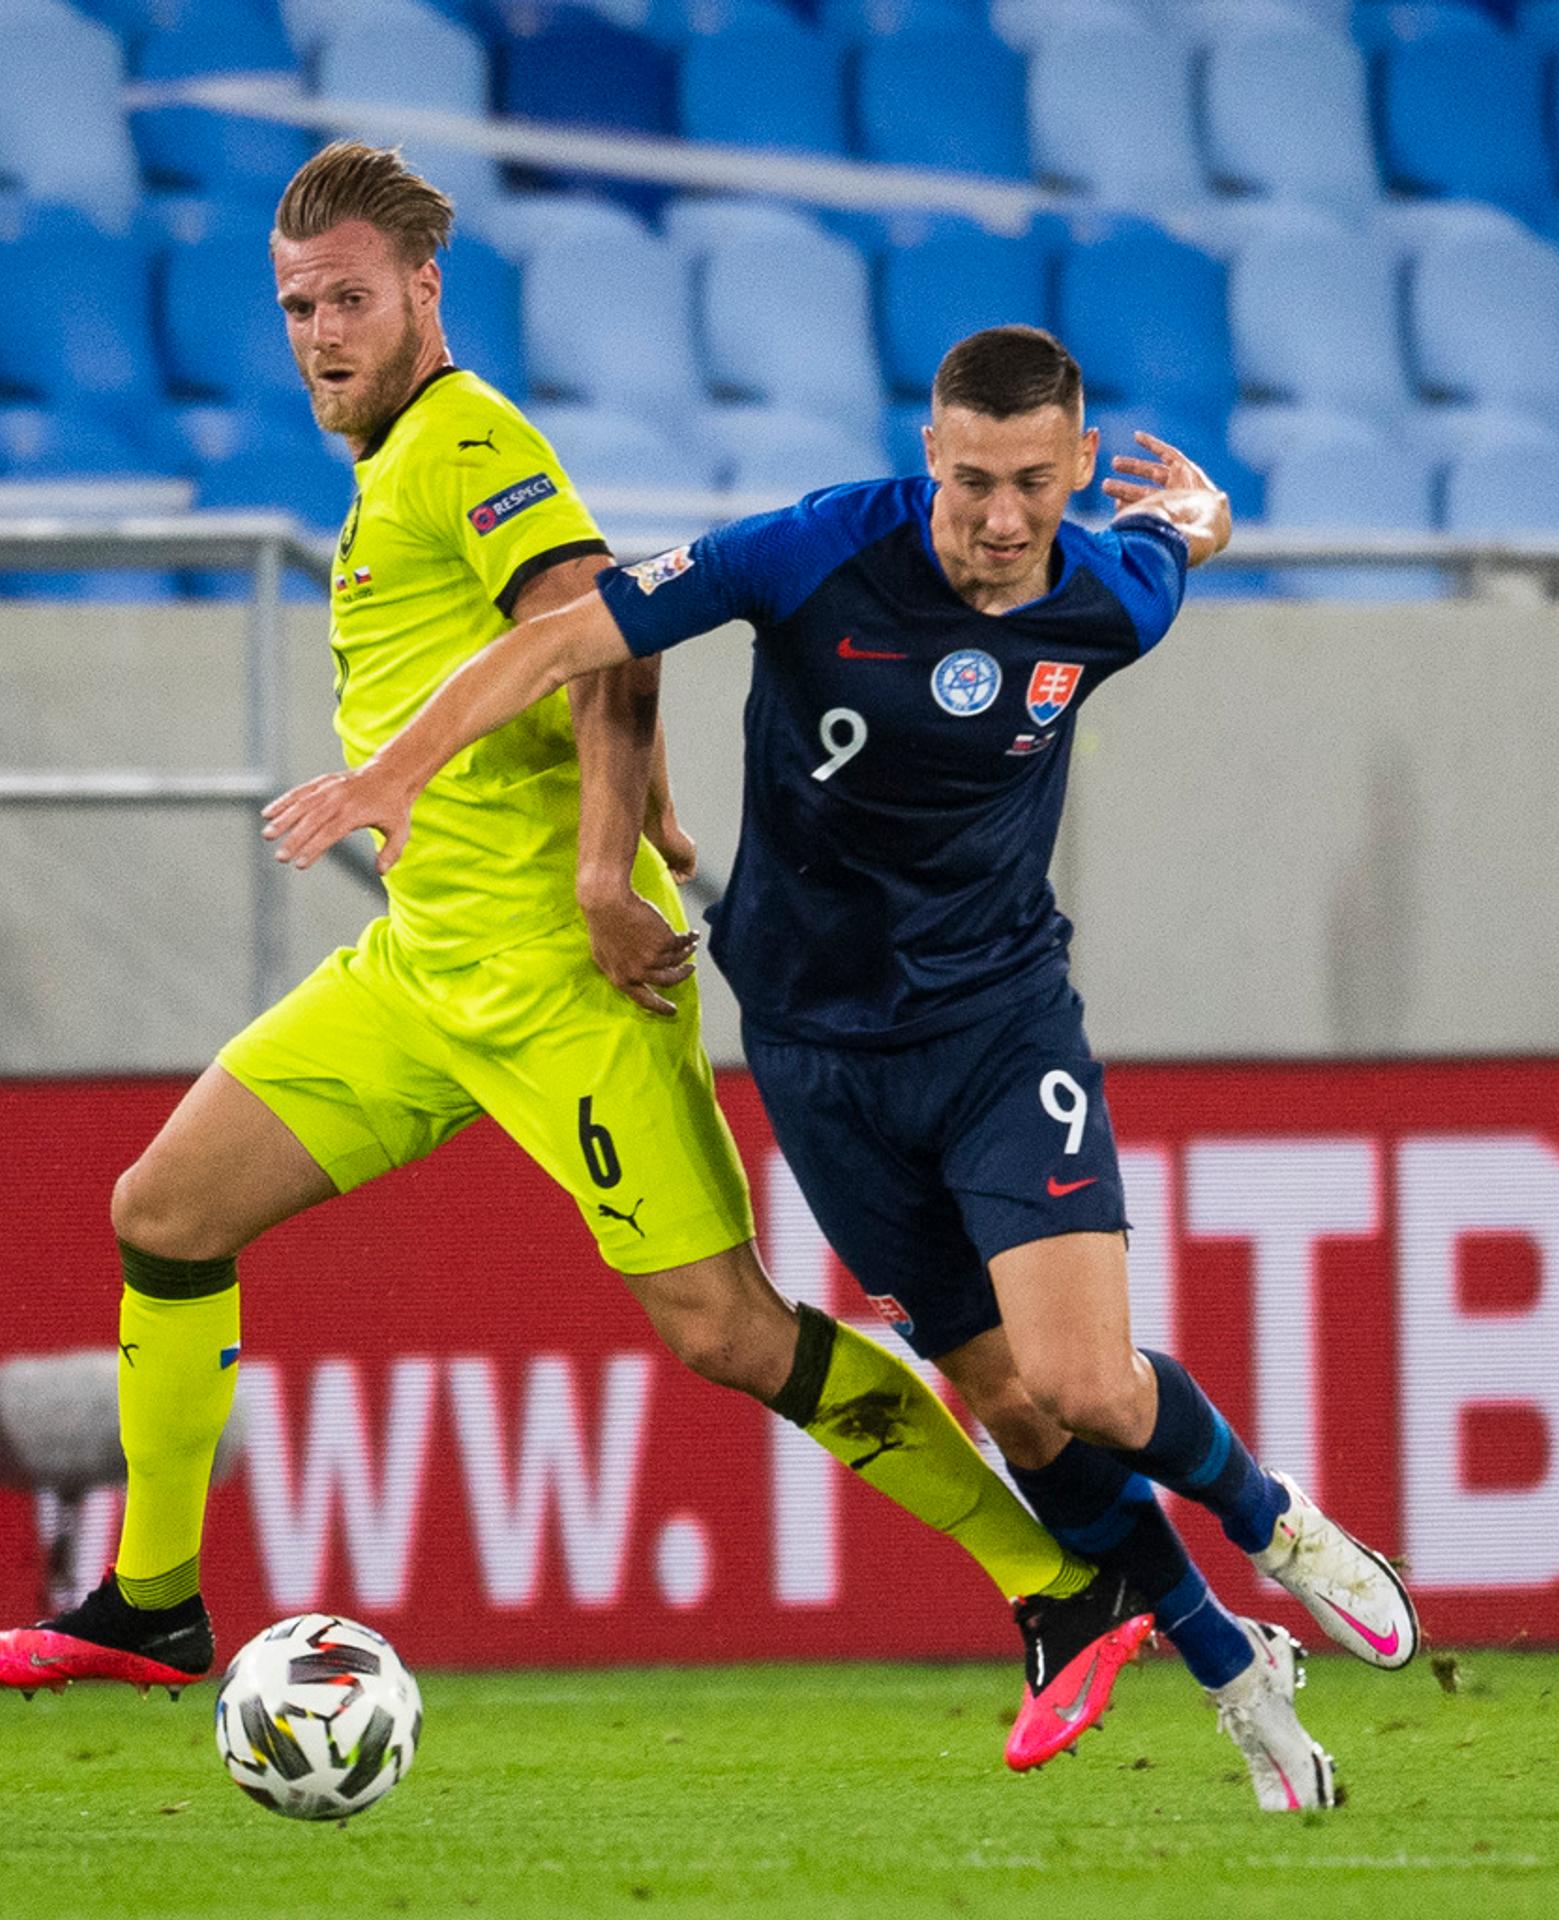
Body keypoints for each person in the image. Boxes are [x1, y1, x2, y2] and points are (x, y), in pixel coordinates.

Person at [0, 150, 1154, 1768]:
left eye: (351, 301)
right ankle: (153, 1603)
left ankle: (1051, 1585)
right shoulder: (387, 467)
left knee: (727, 1329)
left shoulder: (471, 440)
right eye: (299, 307)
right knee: (164, 1211)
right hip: (416, 968)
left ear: (425, 296)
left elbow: (605, 636)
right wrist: (634, 824)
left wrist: (605, 866)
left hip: (553, 989)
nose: (321, 334)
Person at [263, 324, 1425, 1812]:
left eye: (1033, 484)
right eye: (971, 482)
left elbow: (1178, 538)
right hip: (820, 1055)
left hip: (1000, 1028)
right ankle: (1229, 1674)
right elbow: (571, 636)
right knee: (1010, 1413)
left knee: (1084, 1379)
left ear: (1074, 470)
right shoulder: (815, 551)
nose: (1001, 520)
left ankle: (1281, 1530)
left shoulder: (1105, 598)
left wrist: (1205, 510)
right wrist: (394, 770)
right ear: (927, 457)